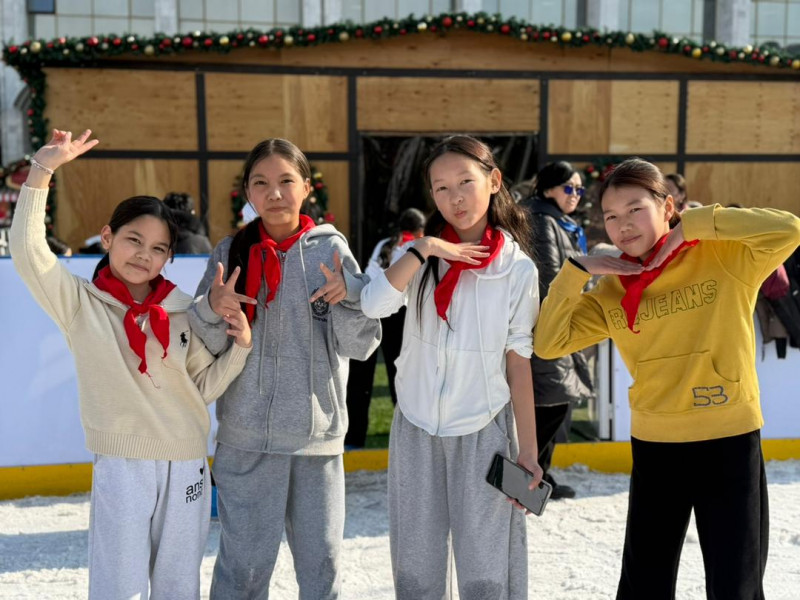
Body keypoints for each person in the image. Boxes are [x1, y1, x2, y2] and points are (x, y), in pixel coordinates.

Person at [533, 157, 800, 599]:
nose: (622, 225)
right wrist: (575, 272)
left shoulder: (724, 256)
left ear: (667, 206)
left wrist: (692, 226)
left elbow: (789, 229)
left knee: (735, 584)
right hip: (656, 446)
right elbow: (548, 343)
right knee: (645, 585)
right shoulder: (613, 288)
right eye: (611, 216)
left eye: (635, 209)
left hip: (728, 439)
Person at [9, 129, 253, 600]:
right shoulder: (79, 303)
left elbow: (201, 388)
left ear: (168, 257)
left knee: (178, 584)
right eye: (133, 240)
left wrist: (240, 346)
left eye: (158, 248)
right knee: (118, 584)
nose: (144, 254)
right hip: (123, 466)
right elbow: (28, 253)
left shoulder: (182, 310)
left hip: (186, 464)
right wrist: (42, 170)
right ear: (108, 237)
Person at [188, 138, 381, 599]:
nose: (274, 193)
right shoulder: (229, 252)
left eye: (286, 181)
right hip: (247, 439)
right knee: (244, 569)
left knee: (321, 568)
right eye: (261, 183)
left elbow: (361, 345)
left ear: (307, 187)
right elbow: (202, 344)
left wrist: (348, 298)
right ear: (248, 194)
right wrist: (212, 307)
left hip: (317, 440)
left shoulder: (331, 251)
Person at [361, 135, 541, 599]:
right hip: (415, 426)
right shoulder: (421, 258)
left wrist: (529, 449)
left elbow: (518, 362)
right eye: (441, 188)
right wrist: (424, 248)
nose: (454, 197)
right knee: (416, 569)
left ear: (494, 180)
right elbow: (374, 305)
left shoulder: (517, 269)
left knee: (485, 571)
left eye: (465, 182)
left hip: (483, 430)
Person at [520, 161, 594, 500]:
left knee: (555, 400)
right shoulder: (541, 220)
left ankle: (540, 475)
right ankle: (528, 478)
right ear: (548, 188)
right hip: (545, 323)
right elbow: (549, 274)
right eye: (569, 187)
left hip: (561, 319)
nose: (575, 194)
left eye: (579, 189)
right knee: (550, 402)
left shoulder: (560, 222)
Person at [344, 207, 426, 448]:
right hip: (396, 314)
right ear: (420, 230)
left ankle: (354, 438)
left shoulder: (384, 243)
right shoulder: (417, 246)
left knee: (360, 381)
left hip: (368, 308)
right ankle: (407, 436)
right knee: (400, 377)